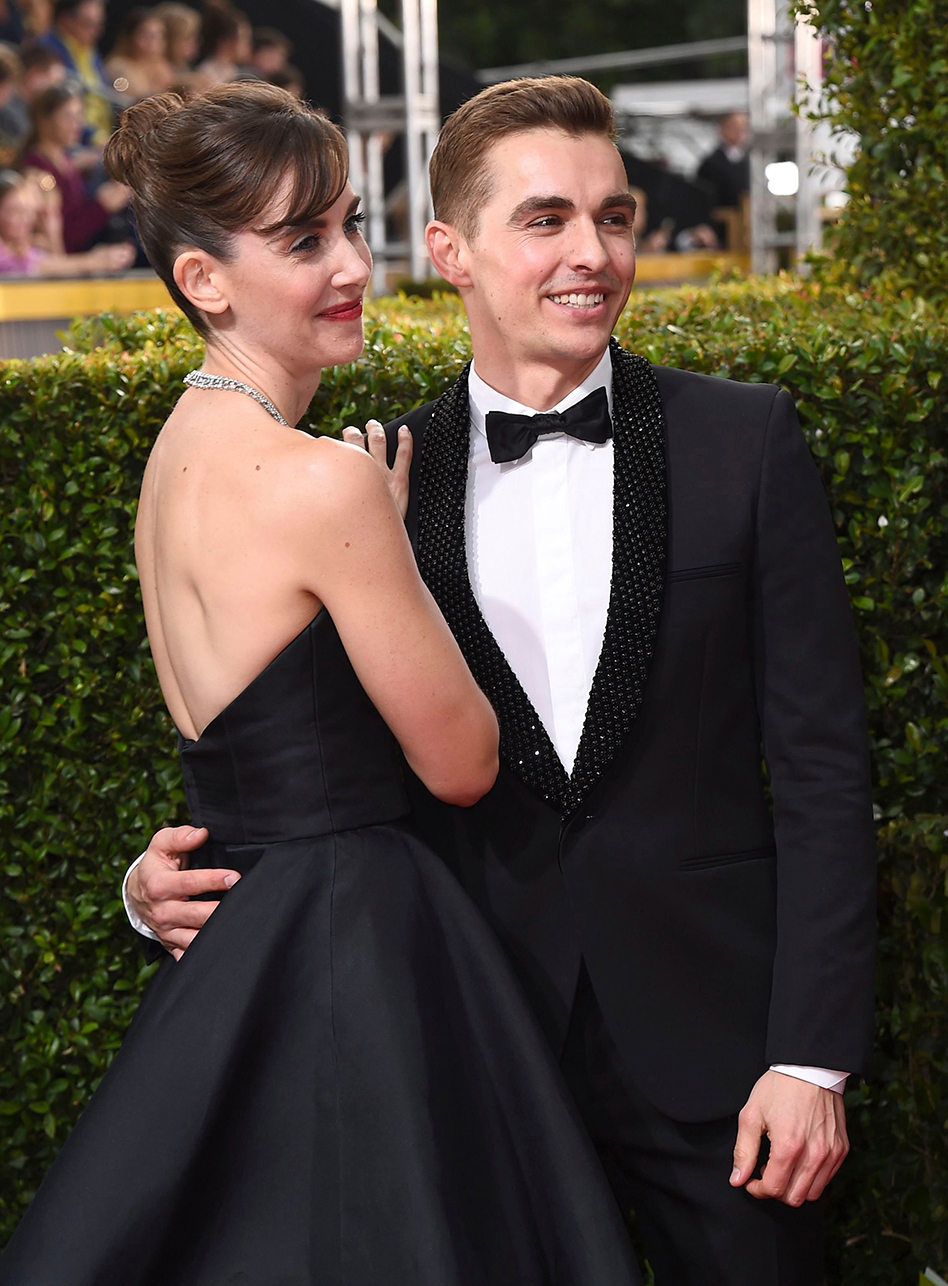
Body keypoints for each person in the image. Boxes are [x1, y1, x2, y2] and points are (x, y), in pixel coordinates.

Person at [128, 75, 877, 1285]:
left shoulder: (746, 443)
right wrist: (151, 879)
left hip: (725, 1071)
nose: (591, 253)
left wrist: (813, 1056)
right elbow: (302, 749)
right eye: (545, 220)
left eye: (614, 216)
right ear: (452, 251)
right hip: (463, 1050)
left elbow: (825, 771)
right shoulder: (370, 478)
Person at [0, 81, 642, 1286]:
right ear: (205, 279)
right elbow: (460, 762)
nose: (352, 262)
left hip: (245, 939)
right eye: (304, 241)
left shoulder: (170, 464)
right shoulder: (321, 484)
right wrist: (384, 547)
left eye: (347, 222)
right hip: (358, 950)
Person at [19, 81, 130, 252]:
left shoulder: (66, 161)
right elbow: (60, 238)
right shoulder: (36, 169)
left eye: (79, 115)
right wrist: (101, 207)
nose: (77, 124)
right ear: (44, 120)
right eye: (68, 116)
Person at [0, 166, 133, 270]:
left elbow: (58, 267)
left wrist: (52, 228)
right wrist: (95, 261)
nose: (25, 220)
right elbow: (32, 268)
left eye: (29, 212)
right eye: (15, 211)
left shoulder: (27, 247)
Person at [37, 0, 113, 142]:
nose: (97, 31)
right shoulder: (47, 51)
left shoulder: (90, 51)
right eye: (89, 24)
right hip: (73, 140)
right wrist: (95, 137)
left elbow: (106, 97)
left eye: (99, 24)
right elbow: (55, 109)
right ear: (66, 20)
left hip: (103, 135)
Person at [105, 7, 173, 102]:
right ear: (130, 36)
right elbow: (132, 101)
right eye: (147, 35)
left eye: (159, 36)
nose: (153, 42)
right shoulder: (118, 66)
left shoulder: (161, 66)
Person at [698, 110, 751, 213]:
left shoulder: (749, 160)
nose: (740, 131)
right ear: (722, 128)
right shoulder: (711, 163)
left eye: (743, 127)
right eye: (735, 127)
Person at [154, 1, 200, 85]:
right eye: (187, 38)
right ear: (171, 40)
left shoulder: (184, 67)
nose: (194, 43)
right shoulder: (157, 72)